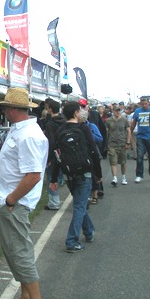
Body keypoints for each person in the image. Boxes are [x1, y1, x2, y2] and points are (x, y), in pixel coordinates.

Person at [0, 87, 49, 299]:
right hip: (11, 201)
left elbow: (33, 175)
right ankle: (26, 298)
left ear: (13, 109)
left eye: (5, 107)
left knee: (20, 252)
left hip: (15, 203)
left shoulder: (29, 135)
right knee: (14, 251)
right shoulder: (22, 131)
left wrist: (11, 200)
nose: (3, 110)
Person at [50, 101, 101, 252]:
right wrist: (98, 174)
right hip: (84, 171)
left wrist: (53, 179)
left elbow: (56, 156)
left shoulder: (60, 130)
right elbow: (93, 151)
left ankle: (89, 231)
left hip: (68, 173)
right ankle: (72, 241)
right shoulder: (83, 128)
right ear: (76, 113)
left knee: (79, 203)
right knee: (79, 205)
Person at [43, 99, 65, 210]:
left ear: (50, 108)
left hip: (54, 154)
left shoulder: (50, 124)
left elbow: (51, 142)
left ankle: (54, 202)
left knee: (52, 177)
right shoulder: (64, 121)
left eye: (47, 107)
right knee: (59, 176)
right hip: (64, 152)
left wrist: (49, 158)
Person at [129, 96, 150, 183]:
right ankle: (139, 175)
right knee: (139, 156)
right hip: (140, 137)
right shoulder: (137, 111)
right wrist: (129, 134)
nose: (144, 105)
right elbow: (133, 123)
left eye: (145, 104)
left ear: (149, 103)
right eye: (142, 104)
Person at [105, 106, 131, 186]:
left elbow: (128, 131)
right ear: (113, 111)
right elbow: (107, 132)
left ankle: (123, 177)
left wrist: (128, 142)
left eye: (119, 111)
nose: (118, 112)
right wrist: (106, 144)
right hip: (112, 143)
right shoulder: (108, 120)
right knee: (113, 162)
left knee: (123, 162)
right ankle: (115, 178)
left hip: (122, 143)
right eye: (116, 111)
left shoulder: (124, 120)